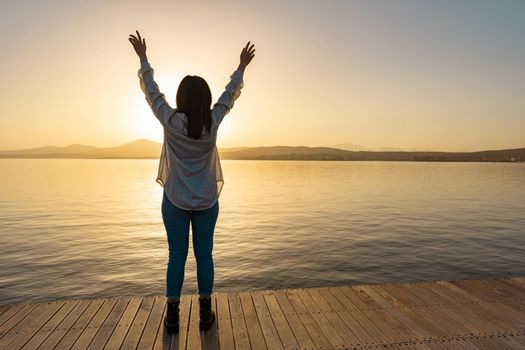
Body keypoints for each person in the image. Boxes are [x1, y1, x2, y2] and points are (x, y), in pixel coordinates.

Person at [128, 30, 255, 332]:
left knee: (176, 257)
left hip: (174, 201)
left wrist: (144, 58)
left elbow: (152, 92)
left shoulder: (171, 121)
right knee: (204, 256)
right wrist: (241, 66)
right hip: (207, 202)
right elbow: (229, 95)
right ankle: (204, 314)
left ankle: (172, 317)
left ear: (181, 98)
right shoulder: (212, 123)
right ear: (206, 99)